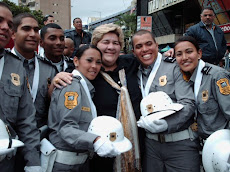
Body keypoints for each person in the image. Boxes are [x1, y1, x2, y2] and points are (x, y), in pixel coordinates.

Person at [132, 30, 199, 172]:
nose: (145, 49)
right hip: (151, 146)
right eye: (139, 46)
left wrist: (166, 124)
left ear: (157, 45)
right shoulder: (134, 72)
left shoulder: (174, 66)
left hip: (180, 144)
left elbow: (188, 103)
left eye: (149, 44)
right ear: (133, 52)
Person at [48, 44, 120, 171]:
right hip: (66, 164)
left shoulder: (84, 86)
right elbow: (66, 128)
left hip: (79, 161)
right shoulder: (71, 85)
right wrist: (96, 140)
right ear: (76, 61)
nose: (94, 66)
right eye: (89, 60)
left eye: (98, 62)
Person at [90, 23, 143, 172]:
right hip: (104, 149)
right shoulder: (89, 73)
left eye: (116, 43)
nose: (111, 47)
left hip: (137, 144)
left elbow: (149, 56)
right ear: (95, 45)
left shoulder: (130, 64)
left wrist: (169, 53)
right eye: (105, 42)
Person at [0, 2, 41, 172]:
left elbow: (26, 120)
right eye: (0, 21)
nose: (5, 28)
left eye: (9, 25)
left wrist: (33, 163)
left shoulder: (15, 67)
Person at [174, 35, 230, 140]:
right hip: (198, 143)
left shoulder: (216, 76)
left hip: (220, 143)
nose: (184, 57)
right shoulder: (182, 77)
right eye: (179, 54)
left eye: (189, 52)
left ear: (199, 53)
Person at [11, 13, 56, 129]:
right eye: (26, 29)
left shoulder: (49, 69)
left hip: (39, 137)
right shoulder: (2, 65)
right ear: (13, 34)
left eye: (36, 30)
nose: (32, 34)